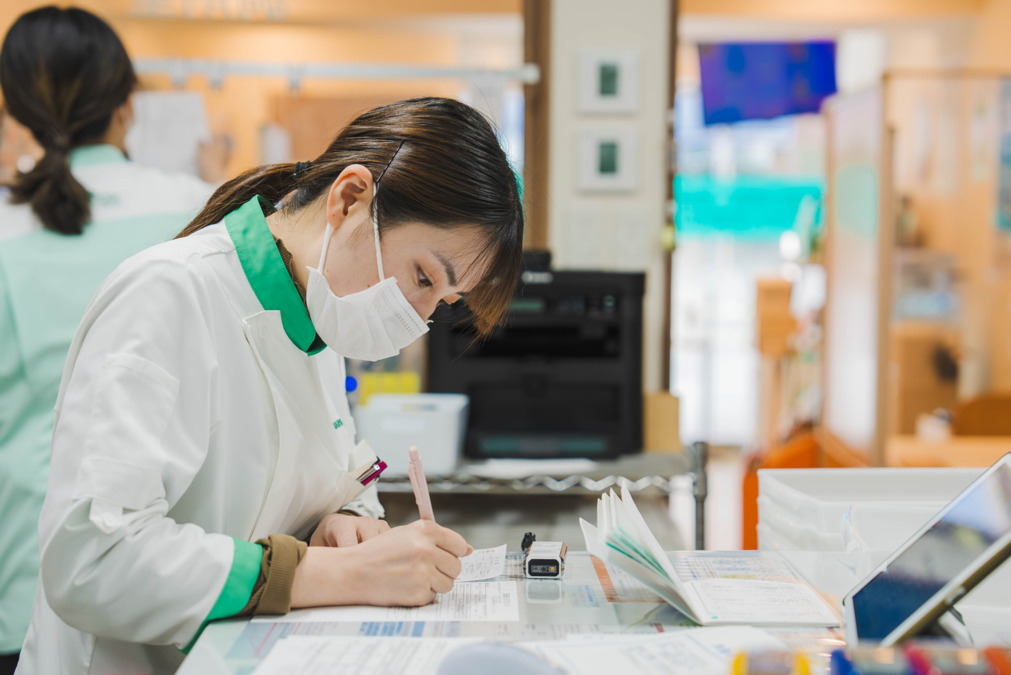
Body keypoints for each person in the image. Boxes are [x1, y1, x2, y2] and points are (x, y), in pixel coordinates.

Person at [15, 95, 524, 674]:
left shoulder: (320, 324)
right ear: (349, 199)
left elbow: (322, 481)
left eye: (444, 301)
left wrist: (347, 524)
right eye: (424, 277)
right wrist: (331, 573)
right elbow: (92, 562)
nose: (420, 317)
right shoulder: (167, 295)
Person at [0, 8, 216, 674]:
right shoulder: (203, 211)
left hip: (23, 578)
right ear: (128, 104)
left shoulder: (6, 230)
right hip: (182, 579)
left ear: (16, 111)